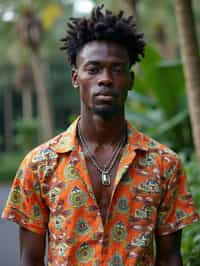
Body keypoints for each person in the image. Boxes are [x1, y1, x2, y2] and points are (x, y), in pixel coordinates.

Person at [2, 5, 199, 266]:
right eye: (93, 69)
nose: (105, 79)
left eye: (116, 69)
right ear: (76, 78)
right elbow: (31, 259)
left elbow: (171, 257)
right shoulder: (39, 165)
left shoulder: (164, 165)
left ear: (129, 79)